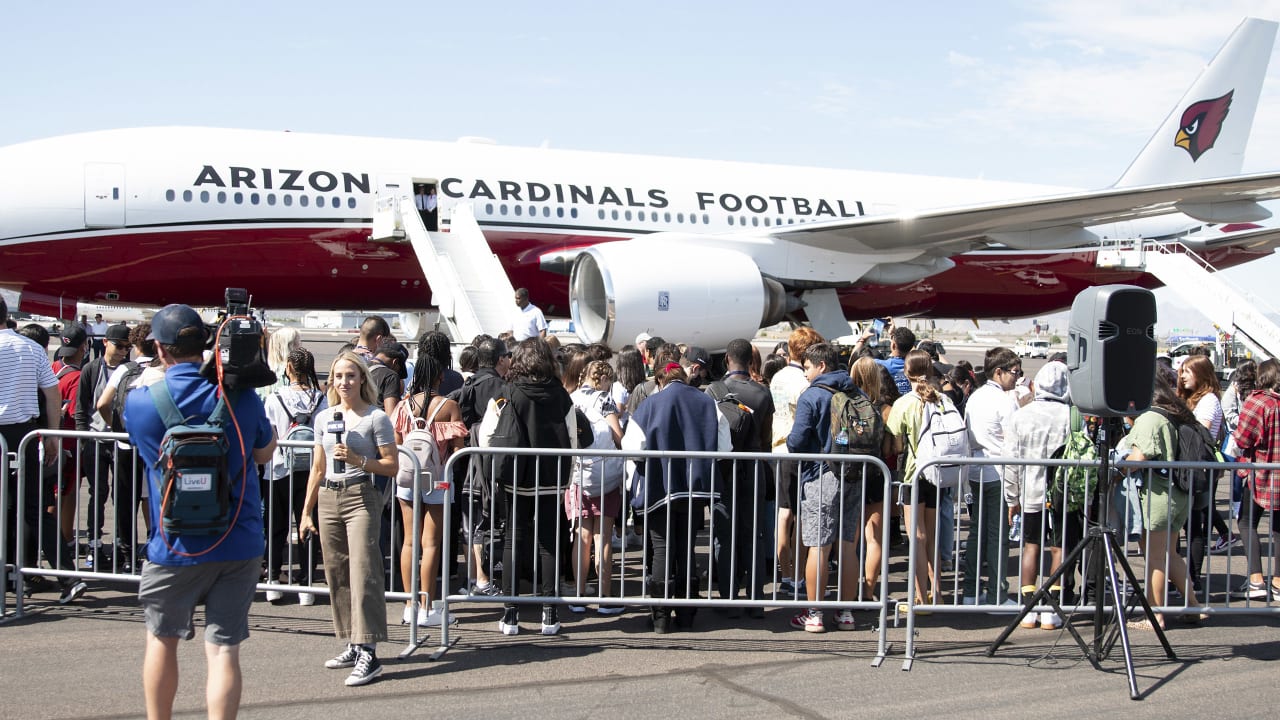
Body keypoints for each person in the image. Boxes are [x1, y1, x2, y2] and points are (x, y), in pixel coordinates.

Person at [122, 303, 276, 719]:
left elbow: (136, 440)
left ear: (158, 347)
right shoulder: (240, 396)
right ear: (206, 344)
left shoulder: (141, 402)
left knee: (161, 639)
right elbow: (263, 452)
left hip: (175, 544)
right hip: (238, 537)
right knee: (225, 649)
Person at [298, 351, 399, 686]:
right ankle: (353, 642)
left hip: (361, 496)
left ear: (362, 380)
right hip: (328, 496)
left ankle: (369, 649)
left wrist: (358, 460)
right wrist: (306, 511)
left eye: (351, 376)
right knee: (338, 572)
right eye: (338, 376)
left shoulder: (375, 418)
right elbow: (317, 467)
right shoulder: (324, 418)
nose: (344, 382)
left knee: (365, 571)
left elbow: (391, 465)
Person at [625, 360, 728, 632]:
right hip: (696, 489)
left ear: (660, 380)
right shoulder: (707, 402)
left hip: (662, 486)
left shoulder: (650, 404)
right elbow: (725, 445)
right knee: (686, 548)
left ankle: (660, 617)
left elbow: (633, 448)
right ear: (683, 377)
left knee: (662, 550)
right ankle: (686, 614)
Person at [0, 299, 83, 604]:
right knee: (34, 508)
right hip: (26, 432)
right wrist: (50, 436)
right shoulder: (31, 348)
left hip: (5, 433)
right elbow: (51, 392)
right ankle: (68, 577)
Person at [493, 338, 577, 636]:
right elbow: (572, 437)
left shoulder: (511, 391)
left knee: (513, 540)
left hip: (518, 476)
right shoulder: (561, 395)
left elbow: (494, 432)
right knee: (549, 542)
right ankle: (550, 614)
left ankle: (510, 614)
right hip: (552, 478)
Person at [787, 343, 861, 633]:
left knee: (818, 545)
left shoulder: (813, 395)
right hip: (855, 474)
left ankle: (814, 613)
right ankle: (845, 613)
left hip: (821, 475)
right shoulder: (856, 392)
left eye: (807, 367)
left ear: (821, 367)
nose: (805, 373)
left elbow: (795, 442)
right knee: (847, 545)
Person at [1125, 375, 1208, 630]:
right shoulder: (1177, 414)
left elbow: (1139, 457)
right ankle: (1193, 606)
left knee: (1155, 558)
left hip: (1158, 496)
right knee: (1170, 555)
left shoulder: (1151, 417)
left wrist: (1115, 471)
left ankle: (1155, 617)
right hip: (1178, 495)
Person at [390, 350, 467, 626]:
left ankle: (409, 605)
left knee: (410, 541)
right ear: (440, 376)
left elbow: (396, 440)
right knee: (431, 542)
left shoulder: (403, 406)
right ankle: (427, 606)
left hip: (407, 476)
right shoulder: (448, 406)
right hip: (438, 478)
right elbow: (458, 447)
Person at [709, 339, 774, 619]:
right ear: (750, 361)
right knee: (754, 535)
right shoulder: (762, 393)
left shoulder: (713, 391)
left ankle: (728, 598)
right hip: (754, 467)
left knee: (724, 535)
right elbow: (766, 436)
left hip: (723, 470)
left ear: (726, 359)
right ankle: (756, 599)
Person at [1003, 362, 1071, 629]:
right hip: (1063, 494)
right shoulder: (1070, 416)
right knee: (1059, 548)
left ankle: (1029, 607)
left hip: (1030, 492)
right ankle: (1052, 610)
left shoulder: (1022, 415)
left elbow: (1011, 462)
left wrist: (1012, 499)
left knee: (1031, 546)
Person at [885, 350, 955, 608]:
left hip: (914, 473)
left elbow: (893, 441)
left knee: (917, 536)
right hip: (938, 472)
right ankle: (936, 594)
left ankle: (919, 595)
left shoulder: (905, 403)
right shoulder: (943, 400)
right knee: (932, 535)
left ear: (907, 372)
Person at [263, 348, 327, 606]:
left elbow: (270, 434)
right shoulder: (321, 400)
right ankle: (307, 584)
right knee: (308, 524)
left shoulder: (274, 398)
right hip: (311, 471)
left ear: (288, 367)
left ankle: (273, 581)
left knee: (275, 527)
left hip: (278, 469)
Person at [450, 337, 510, 595]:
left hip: (464, 461)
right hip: (492, 465)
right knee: (491, 520)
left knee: (470, 521)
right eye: (507, 356)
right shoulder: (502, 387)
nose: (510, 360)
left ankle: (472, 578)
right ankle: (485, 578)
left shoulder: (468, 385)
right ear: (499, 359)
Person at [564, 360, 625, 614]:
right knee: (603, 537)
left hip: (578, 475)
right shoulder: (605, 400)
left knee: (582, 535)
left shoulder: (571, 398)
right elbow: (617, 434)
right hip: (605, 476)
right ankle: (605, 597)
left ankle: (578, 595)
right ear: (605, 379)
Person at [961, 347, 1021, 606]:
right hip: (997, 470)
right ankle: (997, 593)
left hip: (975, 469)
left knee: (977, 532)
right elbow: (1012, 443)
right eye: (1014, 373)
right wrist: (1014, 491)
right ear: (999, 372)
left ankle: (971, 592)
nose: (1017, 378)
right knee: (998, 535)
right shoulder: (1005, 401)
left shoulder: (975, 397)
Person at [769, 326, 824, 599]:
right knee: (801, 518)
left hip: (777, 449)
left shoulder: (777, 376)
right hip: (797, 452)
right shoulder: (803, 382)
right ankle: (800, 574)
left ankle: (785, 574)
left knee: (782, 515)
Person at [74, 322, 132, 568]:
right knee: (97, 493)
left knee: (123, 495)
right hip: (96, 439)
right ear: (105, 342)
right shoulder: (91, 369)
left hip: (122, 442)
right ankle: (94, 545)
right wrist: (83, 438)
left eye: (127, 347)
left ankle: (123, 545)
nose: (122, 352)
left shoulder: (130, 370)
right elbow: (81, 407)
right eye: (119, 346)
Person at [1177, 354, 1229, 584]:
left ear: (1201, 373)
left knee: (1194, 523)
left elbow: (1201, 431)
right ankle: (1181, 576)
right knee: (1189, 521)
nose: (1182, 375)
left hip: (1199, 468)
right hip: (1188, 467)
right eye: (1182, 371)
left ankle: (1193, 577)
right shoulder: (1190, 398)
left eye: (1188, 371)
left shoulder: (1208, 400)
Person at [1230, 358, 1280, 601]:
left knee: (1247, 522)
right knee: (1279, 528)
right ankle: (1279, 583)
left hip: (1259, 471)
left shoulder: (1257, 401)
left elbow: (1242, 439)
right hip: (1275, 472)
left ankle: (1256, 578)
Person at [848, 357, 893, 601]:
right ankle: (867, 591)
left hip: (851, 473)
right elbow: (891, 447)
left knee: (850, 538)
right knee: (874, 537)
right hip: (877, 473)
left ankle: (846, 590)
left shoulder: (846, 403)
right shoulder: (885, 408)